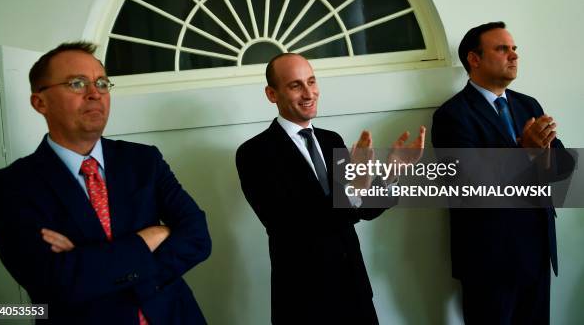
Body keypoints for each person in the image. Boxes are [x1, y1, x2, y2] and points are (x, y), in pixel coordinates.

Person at [0, 42, 211, 324]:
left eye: (101, 83)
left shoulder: (143, 161)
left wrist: (91, 265)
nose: (94, 94)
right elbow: (53, 282)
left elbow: (198, 237)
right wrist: (149, 237)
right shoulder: (8, 188)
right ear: (40, 102)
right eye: (77, 83)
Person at [235, 53, 424, 324]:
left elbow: (361, 211)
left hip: (356, 292)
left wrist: (391, 172)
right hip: (303, 301)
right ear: (271, 94)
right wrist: (356, 186)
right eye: (295, 85)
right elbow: (287, 223)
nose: (309, 92)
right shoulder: (254, 153)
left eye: (311, 81)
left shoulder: (330, 140)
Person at [431, 22, 575, 324]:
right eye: (502, 48)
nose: (513, 55)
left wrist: (543, 155)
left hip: (537, 250)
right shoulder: (451, 115)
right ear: (474, 59)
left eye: (514, 49)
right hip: (489, 259)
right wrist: (526, 153)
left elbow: (562, 167)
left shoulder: (528, 104)